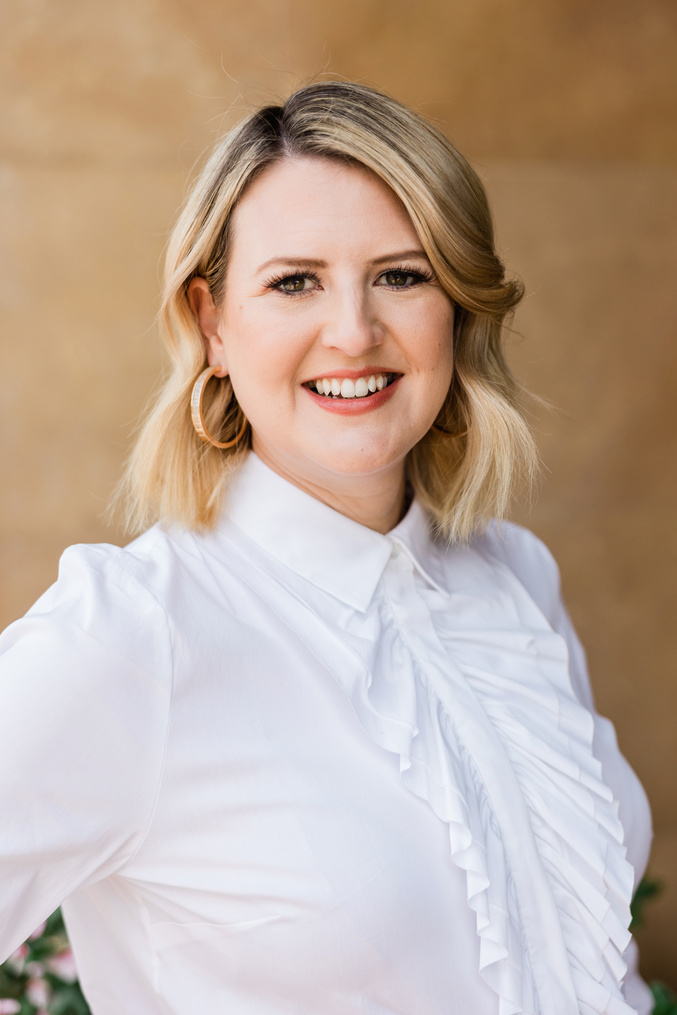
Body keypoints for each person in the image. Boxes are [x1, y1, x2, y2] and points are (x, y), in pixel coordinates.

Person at [0, 80, 653, 1015]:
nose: (352, 332)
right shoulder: (136, 633)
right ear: (211, 323)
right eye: (293, 281)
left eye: (401, 273)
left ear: (456, 308)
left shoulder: (515, 577)